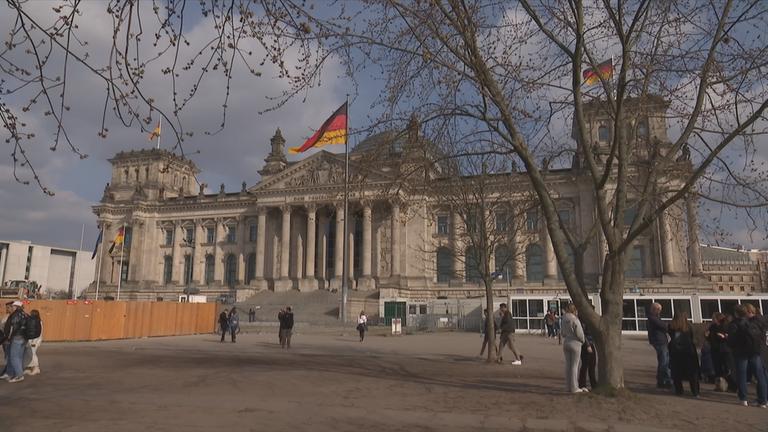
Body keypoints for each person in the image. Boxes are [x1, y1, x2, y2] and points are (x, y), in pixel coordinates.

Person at [728, 304, 767, 407]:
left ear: (736, 313)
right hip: (755, 352)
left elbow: (731, 341)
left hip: (741, 353)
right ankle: (763, 401)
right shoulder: (753, 322)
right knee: (760, 376)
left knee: (742, 376)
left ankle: (743, 398)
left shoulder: (734, 324)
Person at [668, 311, 700, 397]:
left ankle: (679, 390)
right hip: (689, 351)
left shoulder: (671, 326)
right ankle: (695, 391)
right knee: (692, 373)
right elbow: (692, 337)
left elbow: (671, 337)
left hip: (676, 351)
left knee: (676, 372)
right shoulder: (689, 326)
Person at [707, 312, 736, 392]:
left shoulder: (725, 326)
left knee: (728, 369)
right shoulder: (712, 327)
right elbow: (710, 338)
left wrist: (724, 337)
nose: (712, 320)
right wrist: (707, 336)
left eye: (714, 318)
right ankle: (719, 386)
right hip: (715, 350)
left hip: (725, 350)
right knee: (717, 369)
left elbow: (729, 337)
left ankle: (733, 386)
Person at [561, 304, 587, 393]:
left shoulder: (563, 319)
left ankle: (568, 386)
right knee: (574, 366)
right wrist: (583, 341)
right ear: (574, 310)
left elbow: (563, 333)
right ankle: (574, 387)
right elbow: (579, 333)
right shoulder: (575, 319)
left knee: (568, 365)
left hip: (566, 342)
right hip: (575, 343)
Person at [0, 301, 28, 383]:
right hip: (23, 338)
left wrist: (8, 338)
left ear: (16, 306)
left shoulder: (15, 315)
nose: (11, 307)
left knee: (14, 357)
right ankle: (12, 373)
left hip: (16, 338)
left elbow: (12, 328)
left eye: (12, 306)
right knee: (18, 357)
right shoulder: (25, 314)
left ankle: (19, 375)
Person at [647, 302, 672, 388]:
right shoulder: (652, 318)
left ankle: (662, 380)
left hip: (661, 341)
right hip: (659, 341)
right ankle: (664, 380)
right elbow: (663, 326)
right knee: (664, 362)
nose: (659, 312)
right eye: (658, 310)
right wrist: (668, 326)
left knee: (664, 361)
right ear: (654, 309)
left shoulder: (655, 317)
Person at [578, 313, 598, 390]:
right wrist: (588, 345)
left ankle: (593, 384)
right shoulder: (583, 321)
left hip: (591, 343)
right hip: (586, 344)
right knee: (585, 365)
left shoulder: (589, 321)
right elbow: (583, 334)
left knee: (592, 364)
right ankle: (582, 384)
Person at [23, 309, 42, 375]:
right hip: (32, 340)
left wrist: (34, 342)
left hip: (35, 341)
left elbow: (39, 333)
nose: (30, 314)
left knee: (33, 354)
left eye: (31, 313)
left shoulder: (38, 321)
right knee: (29, 354)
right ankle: (30, 368)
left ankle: (36, 368)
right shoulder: (33, 320)